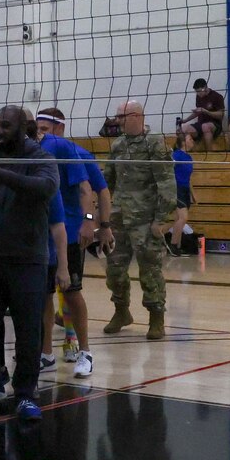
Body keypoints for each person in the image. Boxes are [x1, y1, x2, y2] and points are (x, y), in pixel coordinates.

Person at [0, 107, 60, 421]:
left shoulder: (41, 158)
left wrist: (0, 174)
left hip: (27, 259)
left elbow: (44, 189)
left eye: (6, 125)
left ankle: (25, 393)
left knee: (28, 330)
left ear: (23, 127)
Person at [33, 108, 109, 381]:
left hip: (69, 231)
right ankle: (46, 354)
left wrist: (91, 222)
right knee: (44, 296)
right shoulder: (26, 150)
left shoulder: (65, 148)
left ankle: (85, 352)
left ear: (58, 127)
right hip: (40, 234)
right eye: (36, 125)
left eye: (44, 126)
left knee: (72, 291)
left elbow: (88, 189)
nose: (40, 130)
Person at [102, 100, 177, 341]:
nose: (118, 121)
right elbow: (108, 181)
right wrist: (102, 215)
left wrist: (161, 220)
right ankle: (121, 311)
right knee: (114, 270)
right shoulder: (118, 145)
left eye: (122, 117)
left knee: (150, 271)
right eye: (117, 117)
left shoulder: (154, 144)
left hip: (145, 221)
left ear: (137, 116)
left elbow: (167, 185)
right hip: (119, 219)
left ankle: (156, 318)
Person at [177, 80, 225, 147]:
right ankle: (188, 151)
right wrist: (185, 120)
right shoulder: (199, 97)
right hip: (201, 123)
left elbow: (221, 115)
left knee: (205, 126)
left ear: (205, 87)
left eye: (199, 91)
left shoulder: (217, 96)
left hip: (215, 125)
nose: (198, 93)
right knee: (184, 128)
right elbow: (198, 112)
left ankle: (209, 154)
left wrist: (206, 112)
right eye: (196, 91)